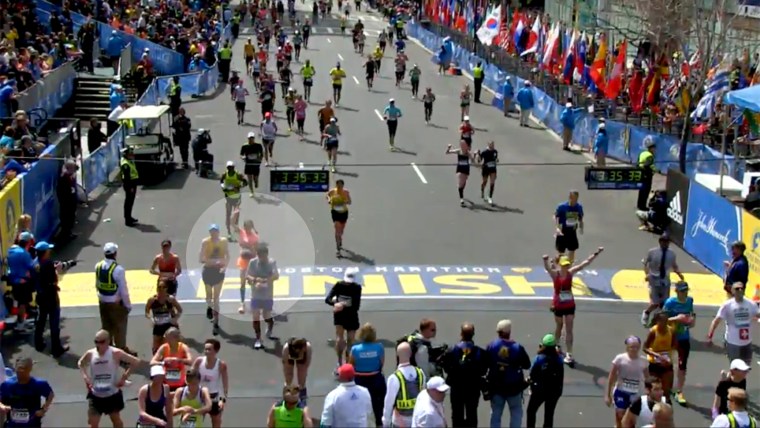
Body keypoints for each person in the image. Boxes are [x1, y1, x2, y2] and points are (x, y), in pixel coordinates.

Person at [542, 248, 603, 365]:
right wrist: (545, 260)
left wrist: (596, 253)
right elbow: (547, 268)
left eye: (567, 265)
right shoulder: (555, 275)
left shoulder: (571, 273)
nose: (565, 267)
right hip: (558, 305)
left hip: (569, 304)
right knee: (559, 326)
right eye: (563, 265)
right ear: (559, 265)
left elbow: (585, 263)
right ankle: (557, 345)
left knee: (569, 328)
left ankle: (569, 353)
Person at [79, 330, 141, 428]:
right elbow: (80, 363)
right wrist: (85, 377)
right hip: (96, 395)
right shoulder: (90, 353)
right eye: (96, 342)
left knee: (116, 420)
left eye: (102, 342)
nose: (99, 345)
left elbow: (136, 361)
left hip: (112, 395)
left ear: (108, 341)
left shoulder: (115, 353)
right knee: (92, 423)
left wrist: (124, 378)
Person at [485, 319, 531, 428]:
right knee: (516, 413)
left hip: (496, 387)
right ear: (509, 332)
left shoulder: (491, 345)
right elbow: (527, 365)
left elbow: (485, 363)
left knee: (495, 414)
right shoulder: (517, 348)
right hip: (514, 387)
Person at [441, 322, 486, 427]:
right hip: (473, 388)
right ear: (473, 334)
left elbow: (445, 366)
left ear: (461, 334)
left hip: (457, 388)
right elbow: (484, 370)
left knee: (457, 414)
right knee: (472, 414)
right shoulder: (480, 352)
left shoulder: (451, 350)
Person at [33, 241, 71, 357]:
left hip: (40, 296)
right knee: (54, 322)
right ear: (45, 252)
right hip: (51, 296)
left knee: (41, 320)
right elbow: (53, 280)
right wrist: (57, 270)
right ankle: (56, 348)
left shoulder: (34, 263)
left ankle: (38, 343)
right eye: (48, 250)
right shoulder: (48, 264)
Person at [707, 281, 759, 365]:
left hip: (747, 343)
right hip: (732, 343)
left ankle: (728, 376)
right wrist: (710, 336)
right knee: (735, 369)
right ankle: (727, 377)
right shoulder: (727, 305)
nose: (740, 290)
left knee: (745, 369)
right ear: (732, 291)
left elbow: (758, 314)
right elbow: (716, 320)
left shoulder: (751, 304)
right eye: (737, 289)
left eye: (742, 288)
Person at [96, 243, 133, 353]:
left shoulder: (98, 266)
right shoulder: (118, 270)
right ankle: (121, 351)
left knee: (106, 326)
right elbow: (123, 291)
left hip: (102, 301)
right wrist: (127, 305)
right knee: (119, 329)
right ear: (115, 254)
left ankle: (107, 349)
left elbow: (97, 284)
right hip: (115, 304)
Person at [662, 281, 695, 405]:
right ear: (676, 291)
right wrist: (677, 319)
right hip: (670, 337)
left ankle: (679, 391)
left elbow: (691, 316)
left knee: (682, 366)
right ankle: (665, 388)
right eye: (682, 291)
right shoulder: (670, 303)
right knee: (666, 363)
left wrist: (691, 321)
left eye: (686, 290)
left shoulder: (689, 301)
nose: (685, 293)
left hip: (684, 337)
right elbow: (661, 319)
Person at [641, 234, 685, 326]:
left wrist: (679, 274)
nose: (665, 244)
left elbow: (674, 265)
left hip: (665, 279)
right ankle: (646, 313)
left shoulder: (672, 254)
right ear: (660, 242)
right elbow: (646, 264)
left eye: (667, 242)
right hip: (653, 278)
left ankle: (657, 319)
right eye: (663, 242)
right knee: (655, 302)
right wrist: (647, 274)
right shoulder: (652, 252)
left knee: (665, 302)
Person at [606, 336, 649, 427]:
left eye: (637, 347)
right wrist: (608, 395)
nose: (634, 349)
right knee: (620, 414)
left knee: (631, 420)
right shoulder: (620, 359)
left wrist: (649, 392)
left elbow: (647, 378)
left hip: (635, 393)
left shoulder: (643, 361)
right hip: (621, 391)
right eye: (632, 347)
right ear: (627, 347)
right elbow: (611, 376)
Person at [326, 268, 362, 373]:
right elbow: (356, 306)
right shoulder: (357, 288)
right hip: (351, 316)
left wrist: (336, 304)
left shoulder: (339, 285)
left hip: (340, 315)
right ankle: (348, 363)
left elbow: (328, 299)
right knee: (350, 341)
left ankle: (339, 363)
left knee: (339, 338)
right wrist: (343, 304)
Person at [0, 357, 54, 428]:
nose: (21, 373)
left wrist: (43, 409)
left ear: (30, 369)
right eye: (19, 370)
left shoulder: (39, 384)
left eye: (24, 370)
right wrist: (3, 406)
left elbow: (50, 395)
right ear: (15, 369)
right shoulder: (7, 384)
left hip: (32, 423)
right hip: (13, 424)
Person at [349, 323, 385, 427]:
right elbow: (382, 363)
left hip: (360, 379)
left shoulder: (355, 349)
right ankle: (378, 422)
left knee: (359, 404)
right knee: (378, 404)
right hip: (376, 379)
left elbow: (351, 365)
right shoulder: (379, 347)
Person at [383, 342, 426, 428]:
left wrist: (386, 423)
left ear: (397, 355)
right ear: (410, 354)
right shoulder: (420, 373)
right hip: (418, 420)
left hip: (400, 423)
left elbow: (389, 403)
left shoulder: (394, 377)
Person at [526, 334, 564, 428]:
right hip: (554, 391)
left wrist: (531, 386)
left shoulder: (539, 359)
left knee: (531, 411)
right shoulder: (559, 359)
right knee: (549, 414)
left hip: (539, 390)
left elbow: (532, 373)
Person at [247, 242, 280, 349]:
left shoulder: (271, 262)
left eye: (263, 255)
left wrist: (265, 280)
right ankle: (258, 338)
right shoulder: (252, 262)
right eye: (259, 255)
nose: (261, 258)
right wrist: (255, 280)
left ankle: (270, 324)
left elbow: (276, 275)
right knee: (255, 316)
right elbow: (248, 276)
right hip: (255, 294)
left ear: (267, 254)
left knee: (266, 316)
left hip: (267, 295)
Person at [191, 339, 229, 428]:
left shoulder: (221, 364)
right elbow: (190, 377)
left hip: (214, 397)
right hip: (199, 396)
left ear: (216, 351)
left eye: (209, 349)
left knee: (216, 421)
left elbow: (225, 385)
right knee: (195, 422)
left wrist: (222, 400)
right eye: (205, 349)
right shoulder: (199, 361)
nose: (206, 351)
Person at [200, 225, 229, 336]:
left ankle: (216, 322)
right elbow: (201, 259)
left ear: (218, 232)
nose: (213, 233)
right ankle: (209, 306)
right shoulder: (205, 242)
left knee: (216, 298)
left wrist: (224, 266)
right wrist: (214, 262)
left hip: (218, 272)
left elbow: (227, 255)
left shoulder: (223, 241)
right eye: (212, 231)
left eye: (215, 231)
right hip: (208, 271)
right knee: (208, 295)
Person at [6, 232, 35, 332]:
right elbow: (32, 267)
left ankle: (21, 321)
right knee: (22, 303)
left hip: (14, 280)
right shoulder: (25, 254)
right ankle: (20, 325)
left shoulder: (11, 251)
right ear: (28, 242)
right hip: (22, 282)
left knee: (18, 302)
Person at [151, 327, 193, 395]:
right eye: (166, 337)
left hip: (180, 383)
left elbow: (190, 361)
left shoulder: (183, 347)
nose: (166, 339)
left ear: (175, 338)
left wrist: (179, 360)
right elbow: (152, 362)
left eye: (168, 338)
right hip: (166, 383)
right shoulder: (164, 347)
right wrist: (164, 362)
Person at [145, 281, 183, 355]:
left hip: (169, 325)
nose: (161, 289)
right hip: (158, 325)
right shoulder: (152, 300)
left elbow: (180, 310)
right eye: (159, 287)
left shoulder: (170, 299)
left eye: (164, 287)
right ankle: (156, 362)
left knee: (165, 346)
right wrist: (151, 319)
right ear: (157, 288)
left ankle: (167, 361)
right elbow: (146, 312)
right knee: (156, 347)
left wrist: (175, 319)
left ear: (167, 289)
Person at [644, 311, 676, 397]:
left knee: (666, 391)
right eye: (661, 321)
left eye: (666, 320)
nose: (664, 323)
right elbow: (645, 348)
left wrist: (668, 357)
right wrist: (656, 355)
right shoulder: (653, 332)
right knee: (653, 391)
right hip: (654, 364)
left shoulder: (671, 331)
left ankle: (666, 405)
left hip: (666, 364)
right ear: (657, 321)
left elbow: (674, 346)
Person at [554, 190, 584, 263]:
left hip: (572, 231)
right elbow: (555, 216)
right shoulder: (562, 206)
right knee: (560, 251)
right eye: (572, 198)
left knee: (572, 249)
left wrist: (581, 226)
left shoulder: (579, 207)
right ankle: (557, 265)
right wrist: (557, 228)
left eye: (576, 199)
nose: (574, 200)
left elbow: (580, 217)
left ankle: (570, 265)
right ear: (570, 197)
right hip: (562, 230)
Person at [221, 161, 248, 240]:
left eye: (231, 167)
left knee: (236, 215)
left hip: (236, 198)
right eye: (228, 167)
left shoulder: (238, 174)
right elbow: (221, 182)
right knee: (228, 214)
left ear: (233, 167)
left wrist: (239, 186)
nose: (230, 169)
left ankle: (235, 229)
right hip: (228, 197)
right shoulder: (224, 174)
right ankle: (229, 232)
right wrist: (224, 187)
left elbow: (245, 182)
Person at [237, 220, 259, 314]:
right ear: (244, 226)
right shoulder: (241, 232)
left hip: (252, 262)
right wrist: (235, 214)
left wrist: (249, 247)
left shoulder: (255, 237)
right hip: (243, 262)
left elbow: (255, 252)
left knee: (253, 283)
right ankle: (242, 303)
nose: (248, 229)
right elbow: (233, 224)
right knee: (242, 283)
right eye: (246, 227)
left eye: (250, 227)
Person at [326, 180, 352, 256]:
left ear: (343, 186)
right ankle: (338, 249)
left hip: (343, 213)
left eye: (341, 185)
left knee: (341, 230)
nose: (339, 187)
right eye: (338, 185)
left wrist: (345, 202)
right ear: (336, 185)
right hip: (335, 212)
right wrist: (329, 199)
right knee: (337, 230)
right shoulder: (332, 191)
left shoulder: (346, 192)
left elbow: (350, 202)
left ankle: (340, 239)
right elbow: (327, 195)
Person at [282, 338, 312, 402]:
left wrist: (303, 371)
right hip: (289, 356)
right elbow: (285, 363)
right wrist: (287, 374)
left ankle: (302, 396)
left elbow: (307, 364)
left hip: (303, 357)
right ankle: (286, 396)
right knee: (288, 376)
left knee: (302, 375)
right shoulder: (287, 348)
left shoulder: (307, 347)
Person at [447, 140, 474, 207]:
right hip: (460, 169)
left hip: (466, 169)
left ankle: (461, 190)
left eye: (464, 145)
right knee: (460, 184)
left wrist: (475, 156)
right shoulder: (458, 151)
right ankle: (461, 199)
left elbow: (473, 161)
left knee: (463, 183)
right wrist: (449, 148)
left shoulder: (468, 153)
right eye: (462, 145)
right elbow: (447, 152)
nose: (463, 147)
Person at [119, 147, 139, 226]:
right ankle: (128, 220)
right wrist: (130, 188)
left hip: (132, 183)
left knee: (130, 202)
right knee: (129, 202)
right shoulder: (126, 164)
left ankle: (129, 217)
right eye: (130, 154)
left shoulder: (127, 160)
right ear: (126, 155)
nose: (132, 155)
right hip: (130, 184)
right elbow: (127, 178)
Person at [637, 140, 657, 211]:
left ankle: (639, 205)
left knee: (641, 190)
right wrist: (656, 170)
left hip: (640, 173)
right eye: (654, 148)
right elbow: (648, 165)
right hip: (647, 175)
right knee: (646, 191)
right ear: (651, 148)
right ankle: (643, 206)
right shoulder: (650, 155)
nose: (655, 150)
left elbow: (638, 162)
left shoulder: (642, 153)